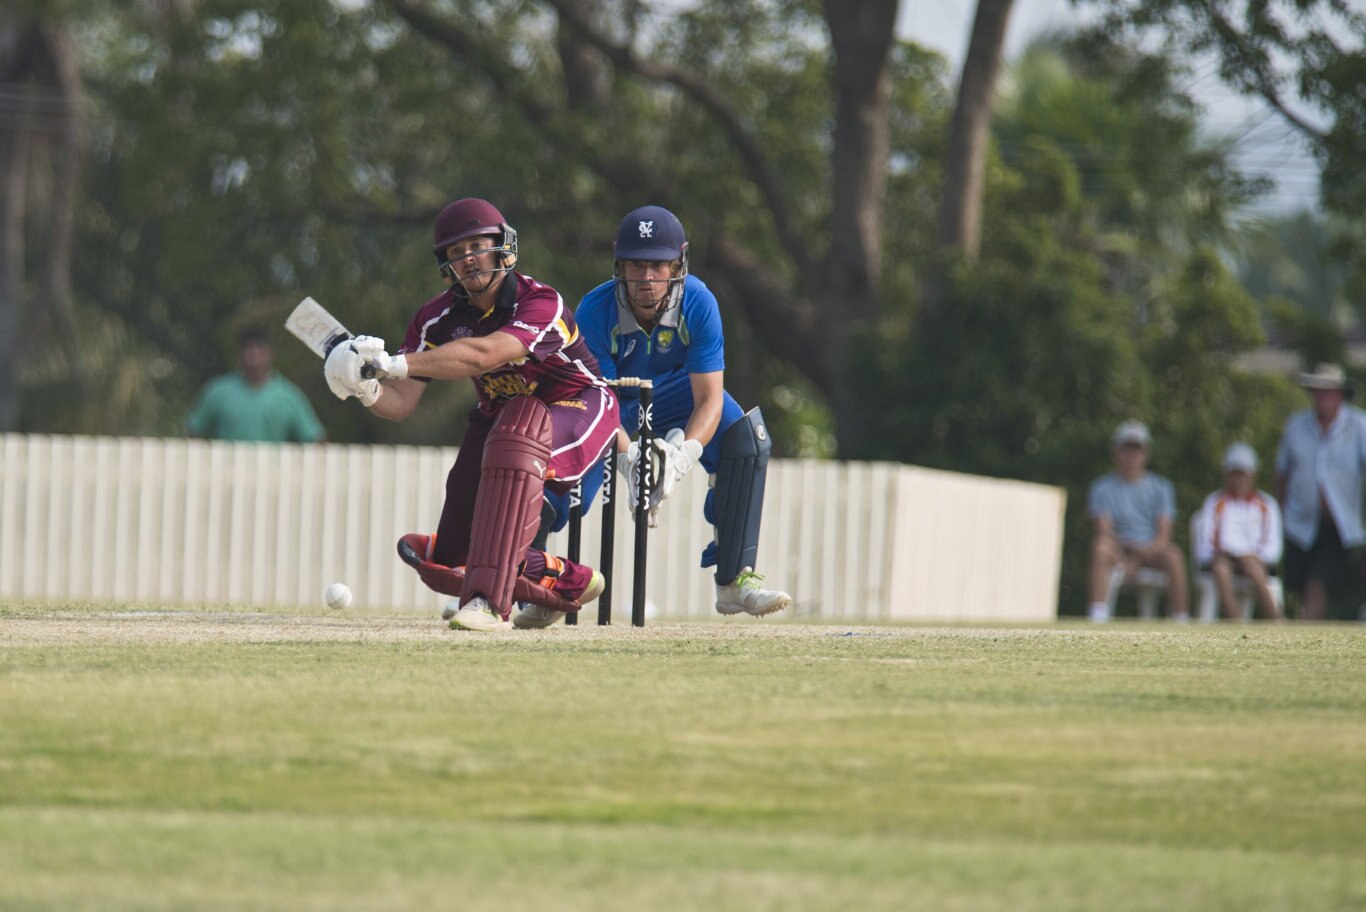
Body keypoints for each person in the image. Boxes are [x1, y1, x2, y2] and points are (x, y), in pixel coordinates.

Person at [322, 197, 619, 632]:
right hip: (500, 419)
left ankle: (488, 604)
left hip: (579, 404)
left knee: (517, 446)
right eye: (456, 253)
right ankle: (564, 577)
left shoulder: (542, 302)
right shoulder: (434, 318)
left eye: (477, 245)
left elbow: (485, 354)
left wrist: (390, 363)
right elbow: (401, 403)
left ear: (503, 247)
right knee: (452, 555)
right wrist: (364, 388)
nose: (469, 259)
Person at [571, 205, 791, 617]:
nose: (647, 279)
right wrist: (629, 458)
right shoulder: (595, 310)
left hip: (674, 395)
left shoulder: (699, 302)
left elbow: (709, 398)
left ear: (679, 262)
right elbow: (600, 402)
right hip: (613, 404)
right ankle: (518, 577)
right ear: (619, 264)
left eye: (659, 266)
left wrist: (683, 456)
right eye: (637, 266)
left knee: (746, 437)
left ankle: (733, 579)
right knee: (566, 445)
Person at [1274, 362, 1366, 621]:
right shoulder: (1296, 426)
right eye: (1317, 392)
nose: (1321, 398)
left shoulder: (1358, 426)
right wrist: (1282, 514)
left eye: (1327, 392)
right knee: (1298, 583)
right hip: (1300, 522)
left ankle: (1306, 632)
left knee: (1318, 581)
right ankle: (1309, 628)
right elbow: (1282, 473)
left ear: (1339, 395)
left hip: (1338, 524)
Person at [1085, 420, 1188, 622]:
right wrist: (1127, 555)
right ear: (1116, 452)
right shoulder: (1101, 488)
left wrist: (1139, 557)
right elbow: (1104, 531)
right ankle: (1097, 615)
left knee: (1174, 556)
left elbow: (1164, 535)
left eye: (1137, 450)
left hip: (1152, 553)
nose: (1132, 456)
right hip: (1118, 550)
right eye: (1126, 449)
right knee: (1100, 547)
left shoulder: (1162, 487)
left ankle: (1181, 618)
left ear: (1146, 454)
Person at [186, 327, 325, 443]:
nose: (253, 352)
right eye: (247, 347)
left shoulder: (289, 395)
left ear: (270, 353)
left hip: (273, 474)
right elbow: (193, 432)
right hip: (226, 474)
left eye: (259, 346)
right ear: (239, 354)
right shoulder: (218, 391)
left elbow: (315, 439)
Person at [1194, 442, 1284, 621]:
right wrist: (1229, 554)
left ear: (1252, 475)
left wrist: (1253, 557)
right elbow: (1205, 545)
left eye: (1242, 474)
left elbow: (1273, 548)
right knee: (1221, 569)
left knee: (1254, 570)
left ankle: (1278, 621)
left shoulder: (1267, 505)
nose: (1239, 480)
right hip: (1223, 559)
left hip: (1254, 560)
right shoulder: (1214, 502)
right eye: (1235, 474)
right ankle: (1235, 623)